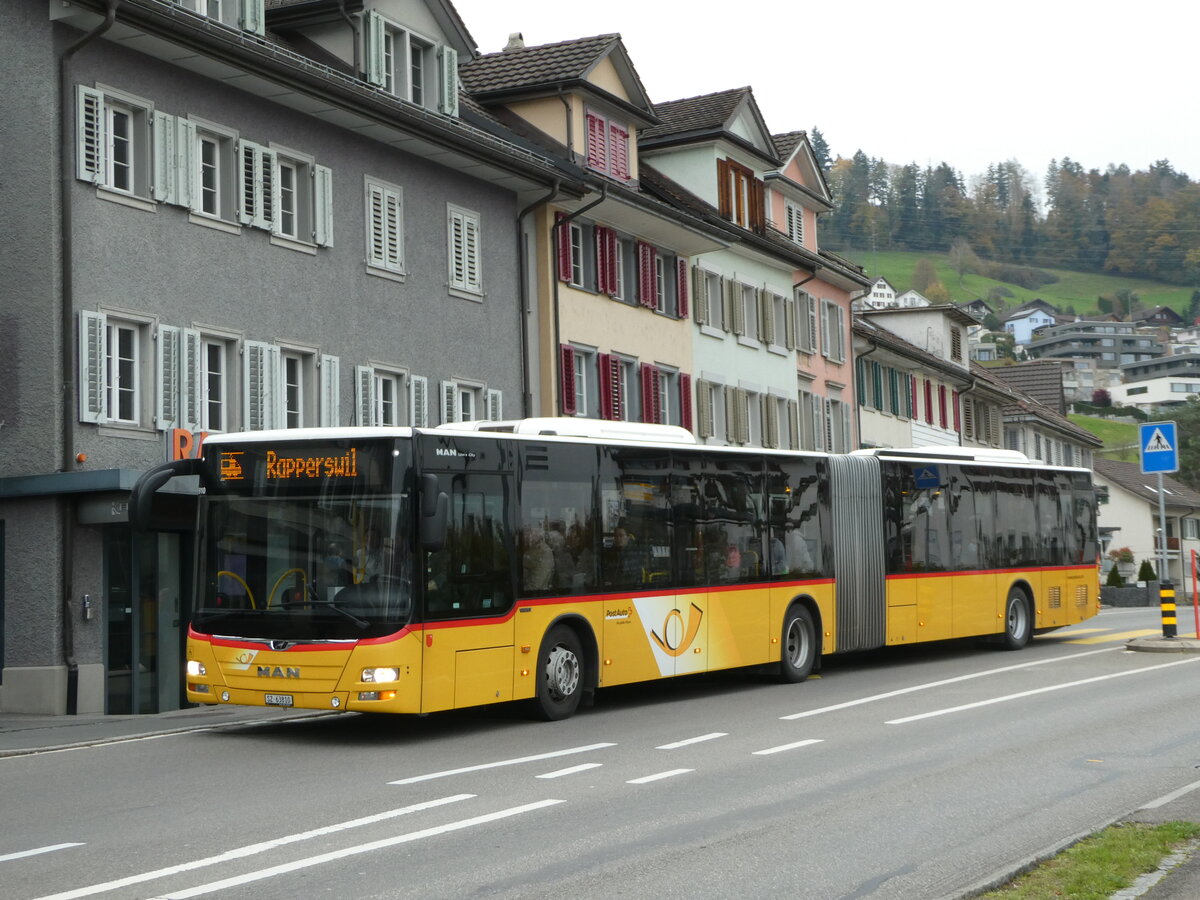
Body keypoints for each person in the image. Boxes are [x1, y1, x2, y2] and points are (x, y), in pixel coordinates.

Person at [522, 525, 555, 591]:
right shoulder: (529, 549)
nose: (526, 535)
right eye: (526, 532)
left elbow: (535, 584)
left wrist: (520, 591)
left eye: (530, 532)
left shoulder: (544, 552)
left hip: (535, 596)